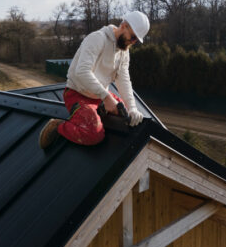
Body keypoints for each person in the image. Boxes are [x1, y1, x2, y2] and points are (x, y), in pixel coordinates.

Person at [38, 11, 150, 148]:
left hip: (100, 97)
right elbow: (82, 72)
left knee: (129, 117)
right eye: (132, 37)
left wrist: (132, 107)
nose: (133, 42)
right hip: (78, 94)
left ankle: (103, 109)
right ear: (124, 25)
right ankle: (58, 126)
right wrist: (106, 97)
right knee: (93, 135)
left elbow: (124, 80)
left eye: (136, 41)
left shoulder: (123, 52)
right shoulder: (98, 39)